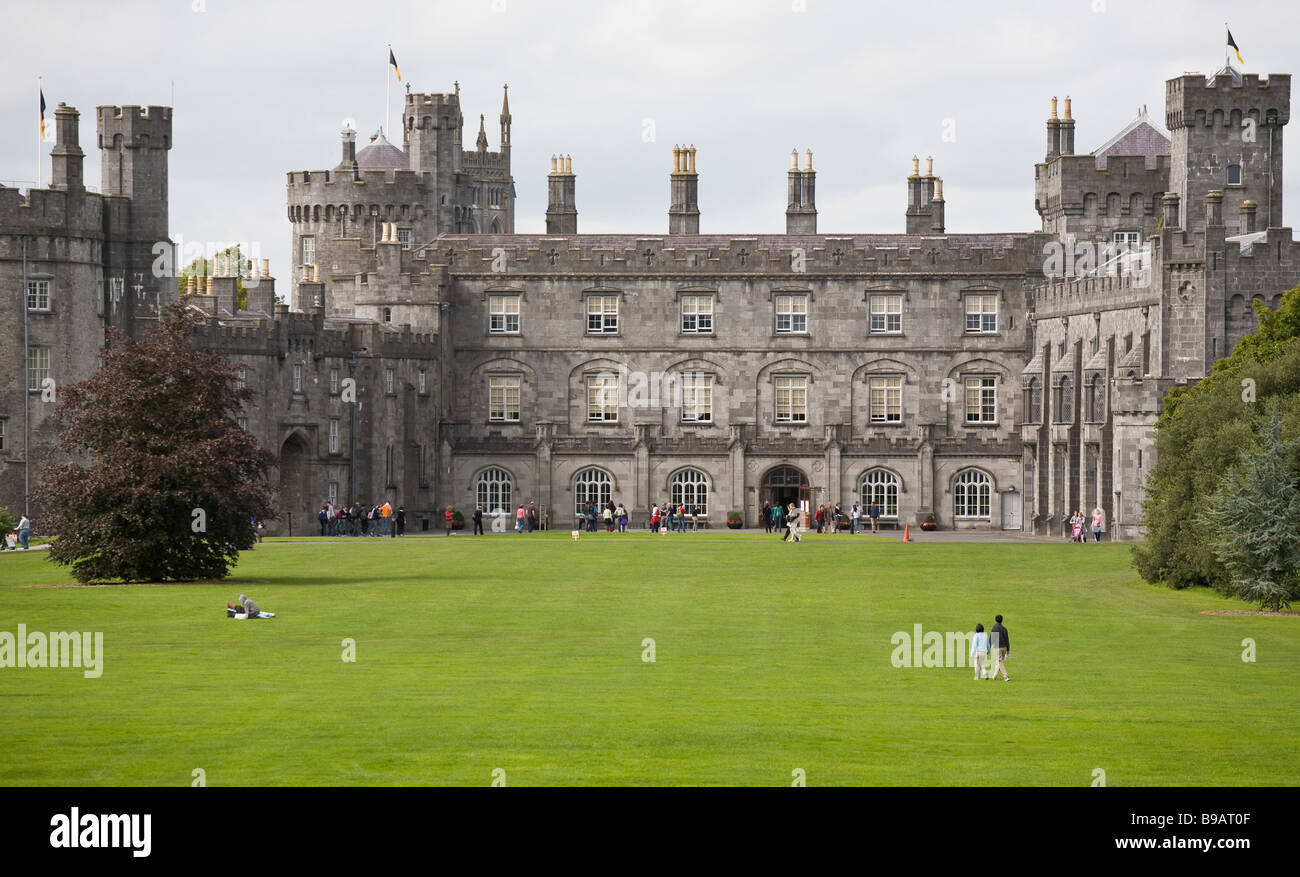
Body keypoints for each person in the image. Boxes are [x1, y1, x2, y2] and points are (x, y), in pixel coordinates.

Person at [990, 614, 1010, 681]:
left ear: (995, 620)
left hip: (998, 647)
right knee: (1000, 662)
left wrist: (988, 648)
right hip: (1004, 647)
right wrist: (1008, 650)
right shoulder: (1004, 629)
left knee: (1000, 661)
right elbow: (1007, 639)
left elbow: (991, 639)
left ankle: (1005, 676)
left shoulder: (994, 628)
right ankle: (994, 676)